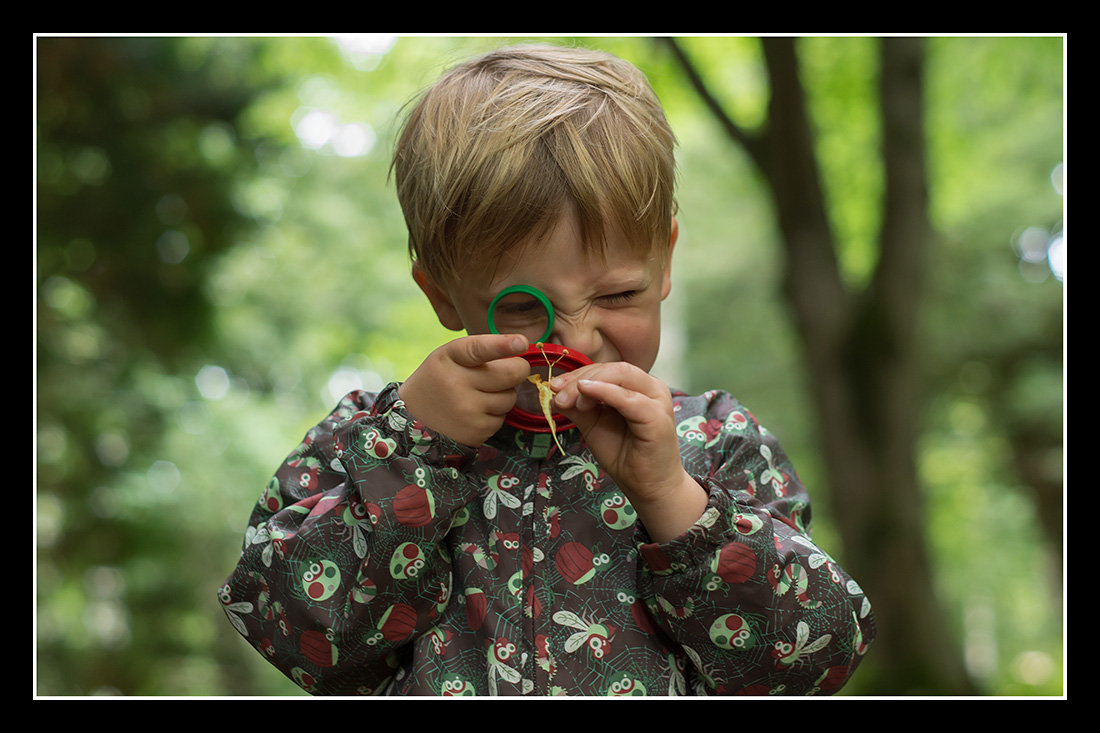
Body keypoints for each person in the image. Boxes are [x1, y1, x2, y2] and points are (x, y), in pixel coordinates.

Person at [218, 43, 875, 696]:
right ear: (442, 294)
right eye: (523, 306)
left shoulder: (714, 444)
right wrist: (413, 455)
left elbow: (814, 661)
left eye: (618, 294)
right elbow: (293, 632)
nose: (577, 339)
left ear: (665, 262)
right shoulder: (375, 444)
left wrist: (673, 500)